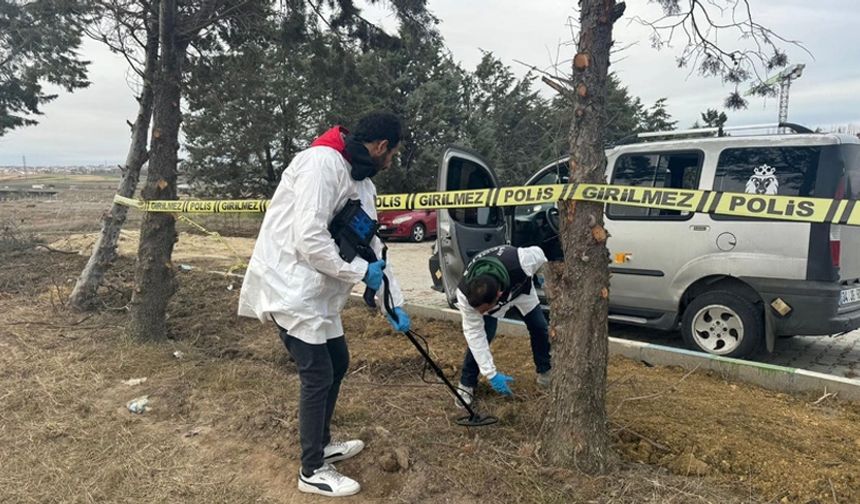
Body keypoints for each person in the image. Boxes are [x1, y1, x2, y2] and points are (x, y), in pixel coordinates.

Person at [238, 112, 411, 497]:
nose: (392, 161)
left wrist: (391, 300)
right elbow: (310, 240)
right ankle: (311, 468)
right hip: (292, 285)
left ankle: (322, 444)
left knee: (339, 362)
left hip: (318, 291)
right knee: (317, 373)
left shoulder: (361, 181)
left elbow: (373, 247)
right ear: (382, 147)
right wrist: (356, 274)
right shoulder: (321, 163)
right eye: (394, 154)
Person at [453, 245, 552, 406]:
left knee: (539, 327)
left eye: (483, 310)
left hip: (521, 290)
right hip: (497, 296)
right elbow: (474, 335)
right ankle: (466, 384)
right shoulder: (465, 294)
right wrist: (491, 374)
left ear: (498, 296)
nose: (479, 314)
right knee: (483, 335)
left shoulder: (523, 261)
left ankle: (545, 371)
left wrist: (543, 276)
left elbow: (540, 254)